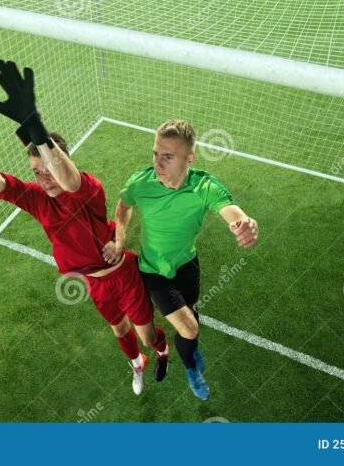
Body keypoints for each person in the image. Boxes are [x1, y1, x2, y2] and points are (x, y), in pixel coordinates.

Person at [0, 61, 169, 395]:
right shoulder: (37, 199)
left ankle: (161, 349)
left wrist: (34, 125)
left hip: (124, 276)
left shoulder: (87, 190)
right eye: (36, 171)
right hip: (95, 284)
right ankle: (136, 364)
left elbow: (66, 176)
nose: (43, 178)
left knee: (146, 335)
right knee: (118, 329)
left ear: (64, 161)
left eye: (47, 168)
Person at [106, 120, 259, 400]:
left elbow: (230, 211)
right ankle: (192, 370)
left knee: (192, 314)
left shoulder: (203, 186)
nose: (158, 162)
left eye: (168, 156)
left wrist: (244, 223)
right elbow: (123, 208)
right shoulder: (140, 183)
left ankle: (191, 349)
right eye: (155, 153)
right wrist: (119, 239)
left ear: (189, 159)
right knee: (189, 328)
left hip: (188, 265)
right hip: (154, 271)